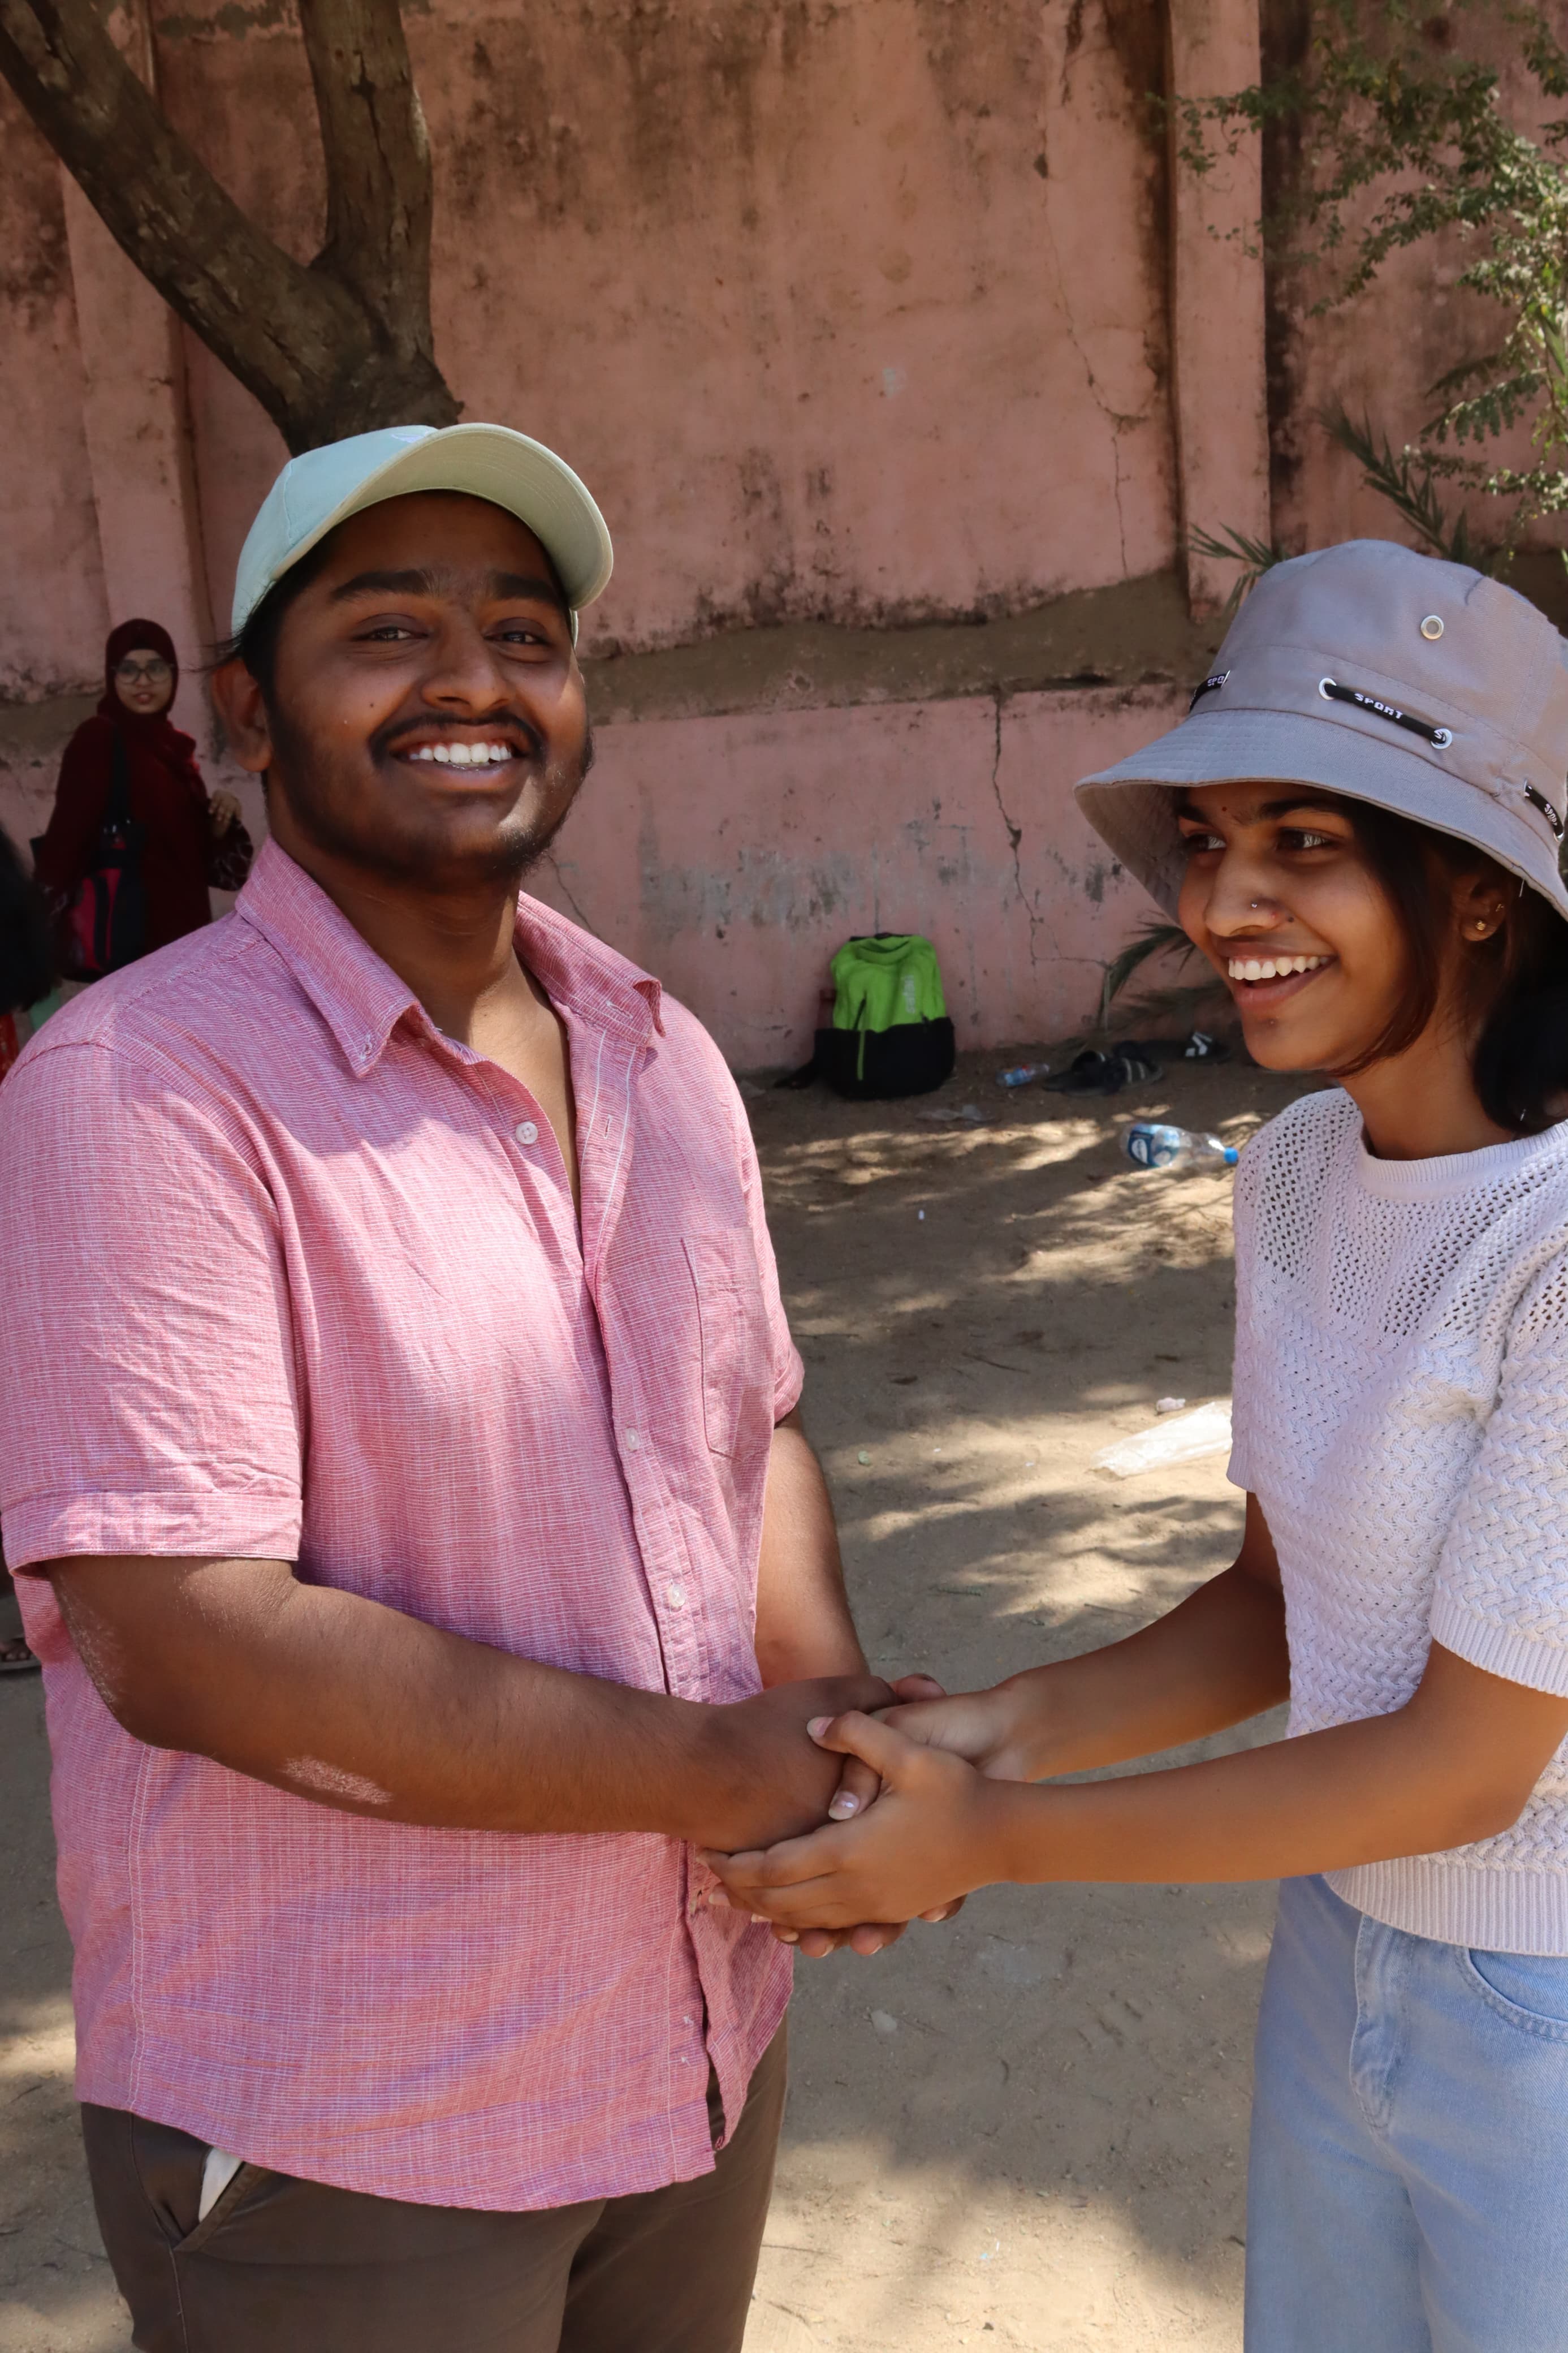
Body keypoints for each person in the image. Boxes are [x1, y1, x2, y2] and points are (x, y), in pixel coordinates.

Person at [0, 423, 928, 2353]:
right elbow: (181, 1637)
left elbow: (743, 1428)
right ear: (250, 713)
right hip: (356, 2120)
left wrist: (822, 1743)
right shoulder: (139, 1091)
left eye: (524, 629)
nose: (473, 679)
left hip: (688, 2046)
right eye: (390, 627)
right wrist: (709, 1773)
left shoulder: (657, 1051)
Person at [708, 540, 1568, 2353]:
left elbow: (1464, 1769)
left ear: (1481, 889)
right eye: (1204, 838)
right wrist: (979, 1733)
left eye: (1305, 841)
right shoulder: (1304, 1179)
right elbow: (1281, 1609)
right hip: (1342, 1958)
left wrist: (992, 1838)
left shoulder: (1554, 1246)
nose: (1222, 900)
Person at [32, 618, 245, 964]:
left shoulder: (175, 750)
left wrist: (219, 823)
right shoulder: (99, 739)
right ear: (111, 676)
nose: (142, 682)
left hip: (185, 936)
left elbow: (215, 870)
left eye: (155, 668)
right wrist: (38, 931)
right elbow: (67, 839)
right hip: (134, 940)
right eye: (128, 670)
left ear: (173, 674)